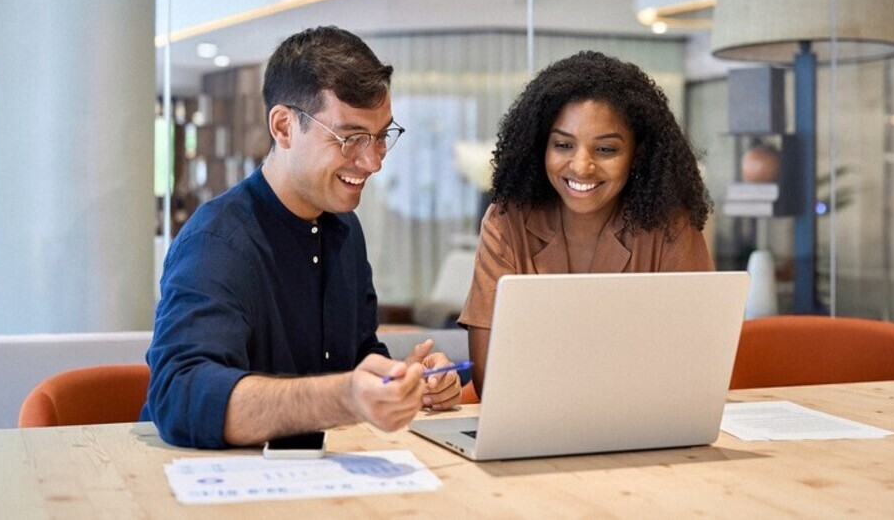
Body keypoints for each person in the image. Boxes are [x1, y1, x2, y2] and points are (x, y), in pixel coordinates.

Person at [143, 26, 461, 449]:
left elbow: (358, 353)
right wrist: (344, 397)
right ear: (284, 127)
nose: (372, 162)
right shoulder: (216, 242)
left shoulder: (345, 229)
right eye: (350, 138)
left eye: (382, 136)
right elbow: (180, 395)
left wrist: (401, 381)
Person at [458, 51, 714, 395]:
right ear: (540, 147)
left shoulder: (670, 225)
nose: (581, 166)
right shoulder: (507, 222)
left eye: (606, 150)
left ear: (637, 153)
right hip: (532, 428)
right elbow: (491, 382)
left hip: (643, 429)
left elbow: (693, 370)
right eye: (563, 145)